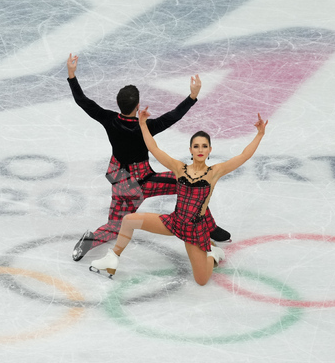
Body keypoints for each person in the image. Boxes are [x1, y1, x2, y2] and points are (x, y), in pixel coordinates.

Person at [66, 53, 230, 261]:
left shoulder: (108, 118)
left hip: (119, 180)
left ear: (118, 104)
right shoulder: (145, 128)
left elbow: (83, 101)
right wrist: (192, 97)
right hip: (142, 182)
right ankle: (210, 227)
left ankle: (90, 240)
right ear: (138, 105)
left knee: (115, 225)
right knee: (191, 183)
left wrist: (72, 75)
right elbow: (172, 117)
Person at [89, 109, 268, 286]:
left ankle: (213, 254)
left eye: (204, 146)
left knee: (202, 281)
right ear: (190, 149)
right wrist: (143, 124)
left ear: (210, 150)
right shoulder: (179, 168)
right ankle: (112, 258)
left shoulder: (214, 172)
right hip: (174, 222)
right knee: (128, 220)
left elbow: (244, 156)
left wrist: (259, 134)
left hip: (194, 232)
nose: (200, 150)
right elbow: (153, 148)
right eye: (196, 146)